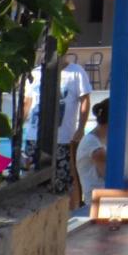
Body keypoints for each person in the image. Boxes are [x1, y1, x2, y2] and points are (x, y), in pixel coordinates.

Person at [23, 56, 93, 209]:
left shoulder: (76, 73)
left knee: (66, 179)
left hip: (62, 137)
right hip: (34, 136)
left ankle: (71, 213)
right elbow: (28, 101)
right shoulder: (36, 73)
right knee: (33, 180)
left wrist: (81, 128)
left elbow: (85, 100)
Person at [76, 98, 108, 208]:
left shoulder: (104, 140)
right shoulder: (93, 145)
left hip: (106, 197)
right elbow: (110, 176)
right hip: (97, 202)